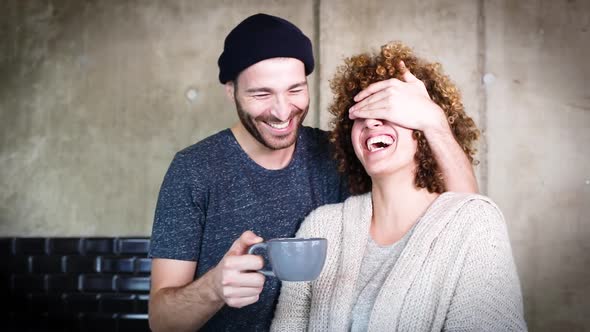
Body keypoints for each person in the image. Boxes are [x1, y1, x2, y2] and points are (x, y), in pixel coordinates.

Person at [148, 14, 479, 332]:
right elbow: (162, 321)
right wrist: (213, 289)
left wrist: (434, 122)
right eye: (261, 93)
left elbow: (468, 222)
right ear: (231, 90)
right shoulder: (193, 170)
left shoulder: (338, 153)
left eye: (294, 90)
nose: (281, 111)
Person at [270, 41, 527, 331]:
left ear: (423, 126)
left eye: (390, 110)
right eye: (360, 114)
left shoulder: (477, 223)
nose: (371, 122)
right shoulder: (320, 228)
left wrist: (434, 120)